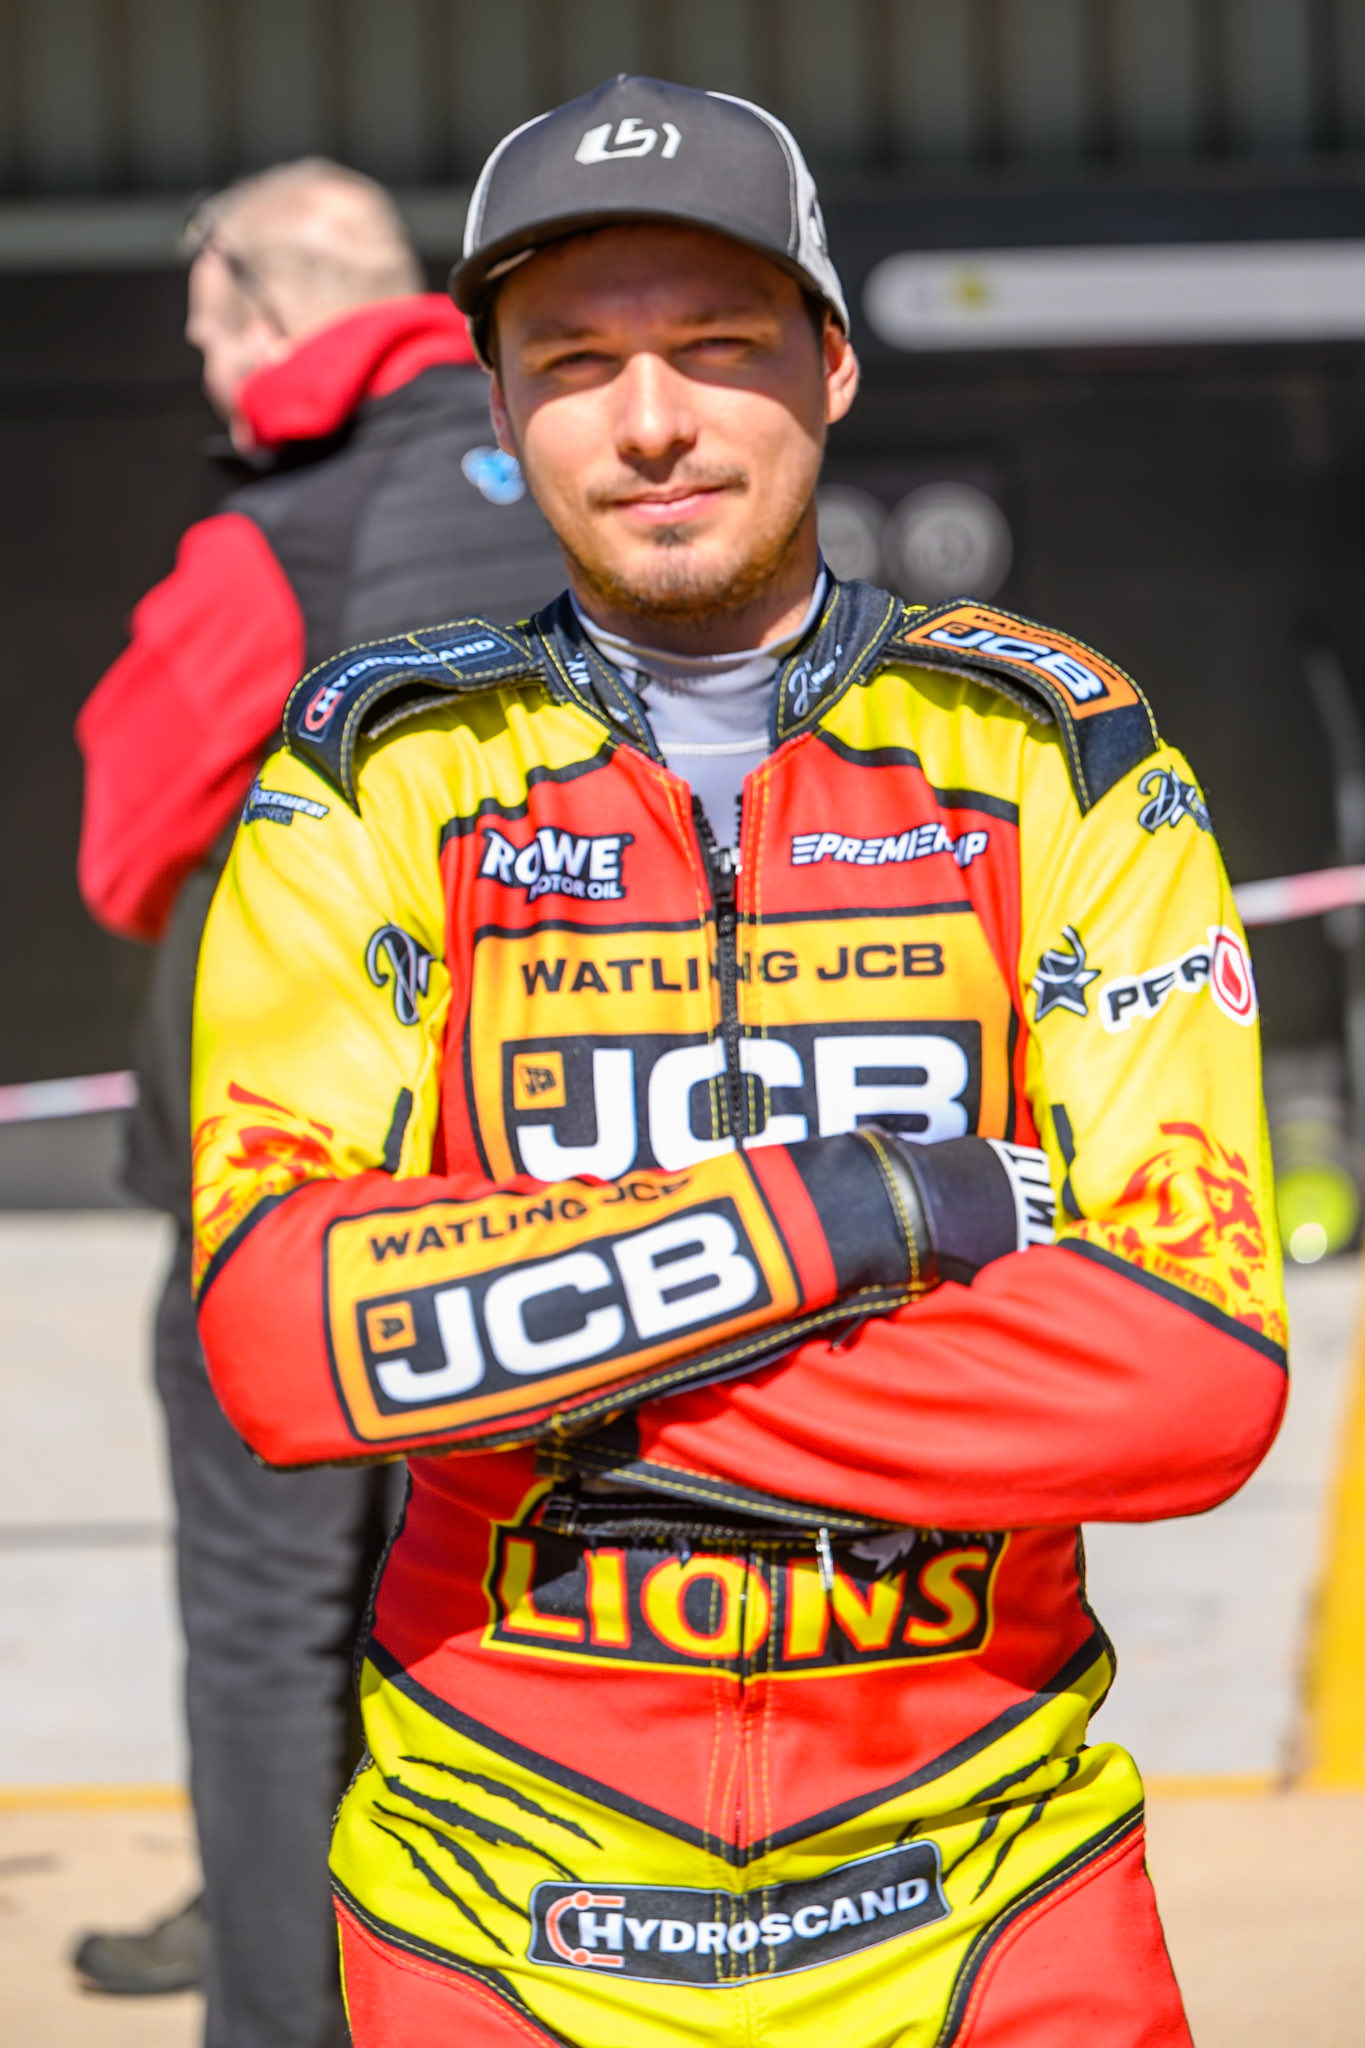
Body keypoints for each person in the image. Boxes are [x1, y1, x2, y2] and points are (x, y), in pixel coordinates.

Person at [188, 79, 1286, 2048]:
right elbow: (280, 1339)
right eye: (574, 362)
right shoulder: (372, 779)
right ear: (503, 410)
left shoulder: (1061, 758)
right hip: (491, 1910)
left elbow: (1189, 1371)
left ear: (832, 365)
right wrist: (868, 1212)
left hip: (990, 1895)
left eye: (713, 348)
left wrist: (511, 1365)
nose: (652, 420)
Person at [73, 158, 561, 2042]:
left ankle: (283, 2009)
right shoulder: (600, 474)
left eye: (206, 324)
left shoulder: (273, 534)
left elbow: (130, 834)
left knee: (276, 1629)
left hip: (301, 1187)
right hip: (591, 1176)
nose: (201, 362)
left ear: (274, 307)